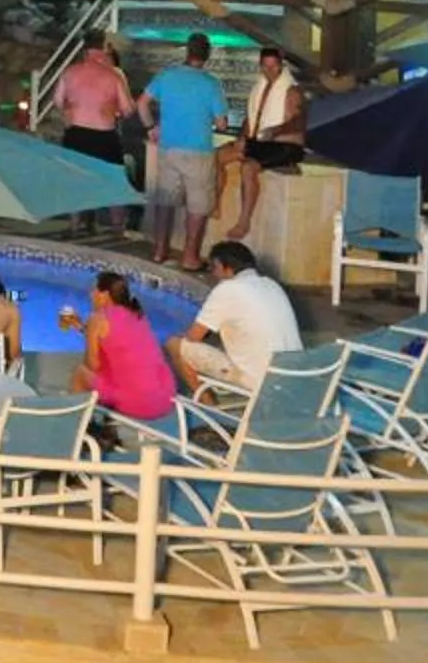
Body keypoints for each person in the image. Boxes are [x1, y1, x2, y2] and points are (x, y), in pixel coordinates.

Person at [170, 240, 304, 395]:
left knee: (176, 345)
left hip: (259, 380)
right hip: (292, 374)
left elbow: (194, 337)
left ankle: (207, 404)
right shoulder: (272, 284)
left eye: (213, 268)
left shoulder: (227, 289)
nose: (213, 274)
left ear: (224, 268)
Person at [140, 35, 227, 272]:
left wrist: (151, 127)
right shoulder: (211, 83)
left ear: (187, 52)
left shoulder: (167, 76)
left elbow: (142, 103)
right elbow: (221, 123)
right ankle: (190, 257)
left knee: (165, 202)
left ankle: (159, 251)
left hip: (169, 148)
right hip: (199, 151)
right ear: (207, 55)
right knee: (198, 206)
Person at [65, 269, 175, 424]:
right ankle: (105, 422)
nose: (91, 294)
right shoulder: (137, 313)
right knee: (116, 373)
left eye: (94, 290)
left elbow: (92, 365)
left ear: (105, 294)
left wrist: (89, 332)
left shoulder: (97, 319)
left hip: (140, 405)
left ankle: (78, 426)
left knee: (81, 374)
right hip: (165, 399)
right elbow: (114, 341)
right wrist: (83, 328)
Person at [53, 30, 133, 239]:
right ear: (104, 48)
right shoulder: (113, 76)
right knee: (114, 179)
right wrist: (113, 109)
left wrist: (72, 109)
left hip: (76, 133)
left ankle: (74, 224)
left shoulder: (70, 72)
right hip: (104, 133)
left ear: (84, 49)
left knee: (74, 179)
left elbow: (58, 101)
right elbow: (128, 109)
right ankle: (117, 228)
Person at [225, 47, 306, 243]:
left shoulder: (292, 91)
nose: (270, 71)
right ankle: (212, 205)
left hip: (285, 146)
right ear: (260, 66)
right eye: (265, 66)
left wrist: (276, 131)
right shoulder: (259, 88)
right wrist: (241, 137)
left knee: (248, 168)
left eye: (274, 66)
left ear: (281, 66)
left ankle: (244, 221)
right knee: (218, 155)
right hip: (261, 142)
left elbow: (299, 121)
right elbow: (251, 118)